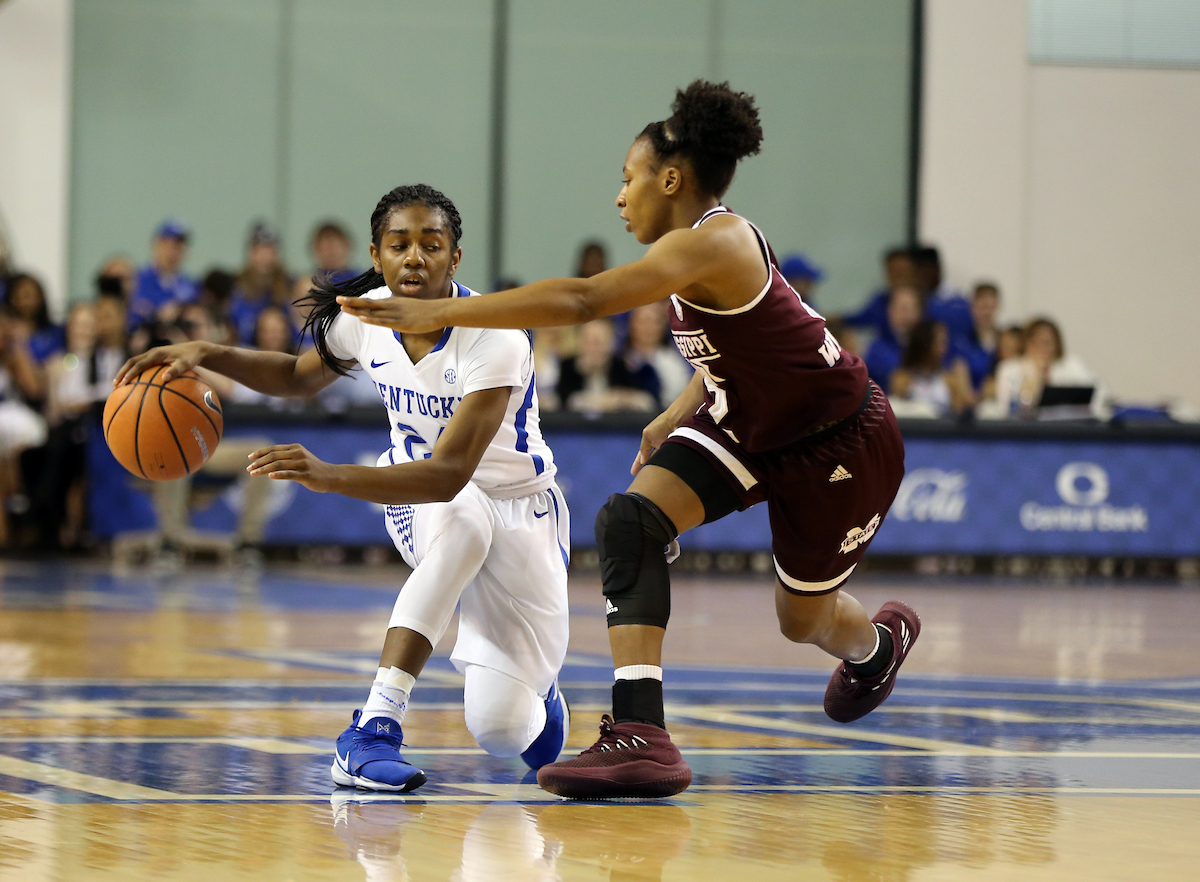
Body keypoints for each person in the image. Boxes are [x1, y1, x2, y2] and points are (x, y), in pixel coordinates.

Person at [338, 81, 919, 800]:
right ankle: (642, 734)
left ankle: (876, 648)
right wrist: (680, 406)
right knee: (629, 521)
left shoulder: (720, 241)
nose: (619, 197)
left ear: (670, 179)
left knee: (801, 620)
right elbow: (755, 345)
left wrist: (443, 309)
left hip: (839, 442)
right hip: (745, 422)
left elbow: (582, 300)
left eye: (628, 178)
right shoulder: (691, 246)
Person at [114, 184, 571, 793]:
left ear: (454, 259)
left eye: (431, 245)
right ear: (378, 257)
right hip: (427, 502)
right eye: (399, 245)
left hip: (519, 510)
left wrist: (326, 475)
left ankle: (537, 695)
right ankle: (373, 729)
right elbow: (298, 377)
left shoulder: (497, 336)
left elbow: (451, 469)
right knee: (462, 520)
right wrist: (209, 353)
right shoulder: (363, 316)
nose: (414, 257)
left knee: (502, 729)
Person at [554, 318, 657, 412]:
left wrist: (622, 398)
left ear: (611, 343)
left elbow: (646, 401)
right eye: (588, 341)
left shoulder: (621, 367)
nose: (593, 348)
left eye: (599, 342)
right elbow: (561, 401)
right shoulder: (568, 367)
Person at [888, 319, 974, 418]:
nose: (944, 348)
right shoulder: (901, 379)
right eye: (940, 343)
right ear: (926, 345)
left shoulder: (949, 381)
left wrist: (962, 384)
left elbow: (963, 410)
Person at [228, 222, 292, 345]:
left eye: (270, 250)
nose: (265, 256)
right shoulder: (234, 287)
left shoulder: (288, 286)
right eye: (259, 250)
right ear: (250, 253)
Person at [128, 220, 198, 330]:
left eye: (180, 247)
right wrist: (157, 314)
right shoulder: (137, 279)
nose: (174, 253)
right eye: (170, 246)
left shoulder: (190, 285)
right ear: (157, 245)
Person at [862, 286, 922, 393]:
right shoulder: (877, 350)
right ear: (890, 311)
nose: (907, 316)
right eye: (903, 309)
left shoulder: (924, 346)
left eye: (912, 309)